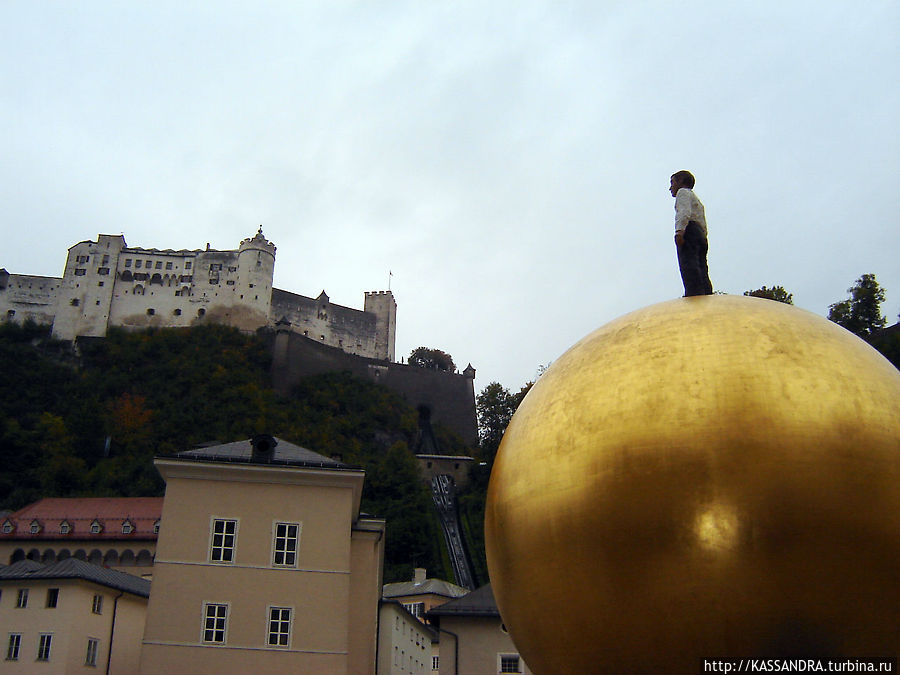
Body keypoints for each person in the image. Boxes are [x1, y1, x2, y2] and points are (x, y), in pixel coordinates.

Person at [670, 170, 713, 296]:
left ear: (681, 181)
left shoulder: (682, 193)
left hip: (690, 230)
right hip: (700, 234)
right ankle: (706, 293)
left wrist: (679, 231)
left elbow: (683, 212)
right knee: (702, 267)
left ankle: (694, 294)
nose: (670, 187)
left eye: (672, 182)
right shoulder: (696, 200)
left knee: (689, 265)